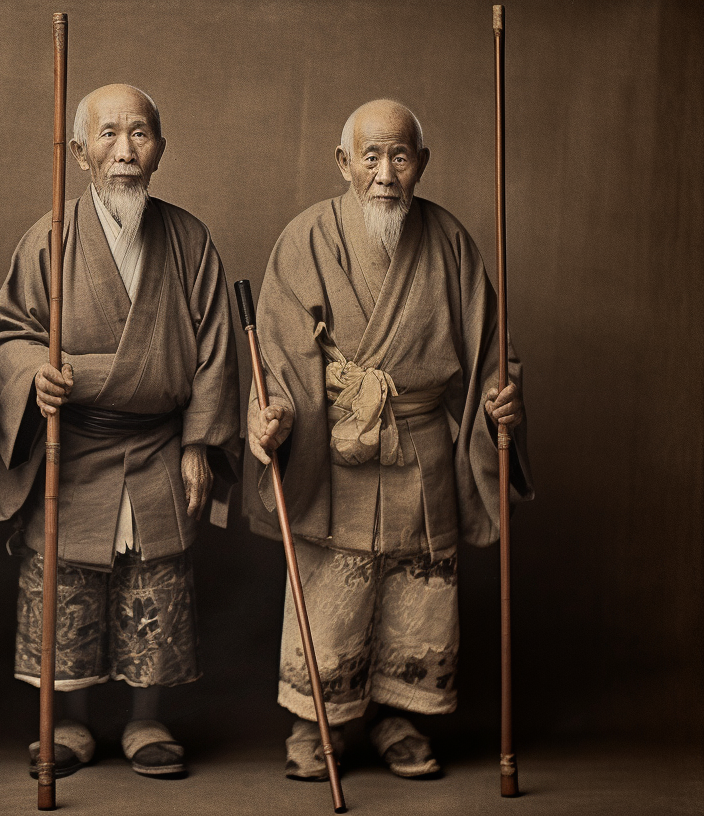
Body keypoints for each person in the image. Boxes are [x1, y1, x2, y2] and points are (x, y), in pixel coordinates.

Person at [247, 98, 531, 781]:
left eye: (399, 157)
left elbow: (492, 345)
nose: (384, 173)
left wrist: (502, 396)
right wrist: (274, 415)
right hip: (335, 444)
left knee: (415, 589)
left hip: (421, 443)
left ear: (421, 165)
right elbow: (281, 359)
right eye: (369, 157)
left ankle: (398, 716)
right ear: (343, 163)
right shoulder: (306, 238)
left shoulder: (451, 242)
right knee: (332, 592)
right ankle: (317, 721)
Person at [0, 84, 241, 779]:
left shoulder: (190, 239)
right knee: (68, 582)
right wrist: (36, 371)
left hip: (160, 438)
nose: (124, 151)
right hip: (76, 440)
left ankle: (144, 719)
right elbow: (9, 332)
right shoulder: (49, 237)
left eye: (140, 135)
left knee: (152, 580)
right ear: (79, 151)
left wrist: (197, 444)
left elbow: (218, 348)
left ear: (160, 147)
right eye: (108, 135)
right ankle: (68, 723)